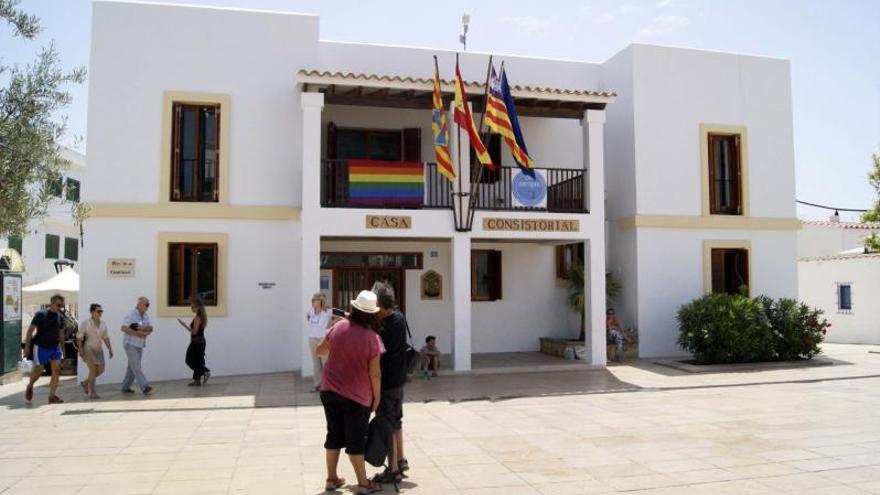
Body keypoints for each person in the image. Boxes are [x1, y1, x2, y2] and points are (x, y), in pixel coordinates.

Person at [315, 290, 384, 495]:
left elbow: (320, 350)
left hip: (329, 389)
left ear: (353, 309)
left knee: (334, 434)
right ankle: (363, 484)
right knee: (356, 439)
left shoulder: (339, 326)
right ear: (372, 314)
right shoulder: (373, 338)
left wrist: (338, 332)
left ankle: (331, 479)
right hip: (357, 395)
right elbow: (375, 374)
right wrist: (377, 398)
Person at [370, 281, 410, 484]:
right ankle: (401, 460)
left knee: (387, 423)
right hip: (399, 381)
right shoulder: (399, 317)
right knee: (396, 421)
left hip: (387, 383)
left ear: (380, 305)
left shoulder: (383, 326)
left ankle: (393, 469)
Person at [22, 294, 66, 404]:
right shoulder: (41, 314)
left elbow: (61, 334)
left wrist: (63, 349)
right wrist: (27, 347)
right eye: (58, 305)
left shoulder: (60, 316)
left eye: (62, 305)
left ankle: (51, 397)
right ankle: (30, 384)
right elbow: (30, 331)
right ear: (51, 303)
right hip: (41, 347)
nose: (60, 307)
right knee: (39, 371)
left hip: (55, 347)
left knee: (56, 370)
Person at [77, 303, 113, 399]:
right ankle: (92, 392)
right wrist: (80, 350)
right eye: (98, 311)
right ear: (92, 312)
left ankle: (85, 382)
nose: (100, 313)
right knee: (92, 370)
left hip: (99, 349)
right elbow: (79, 337)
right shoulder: (86, 323)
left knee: (101, 370)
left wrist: (110, 349)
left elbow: (105, 337)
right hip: (88, 348)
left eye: (101, 311)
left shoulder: (103, 324)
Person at [121, 296, 154, 394]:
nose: (148, 307)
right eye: (146, 305)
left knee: (132, 367)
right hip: (130, 343)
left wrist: (141, 328)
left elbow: (151, 328)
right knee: (136, 366)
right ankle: (145, 386)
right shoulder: (131, 315)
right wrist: (138, 333)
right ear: (139, 305)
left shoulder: (145, 316)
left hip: (139, 345)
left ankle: (125, 386)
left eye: (148, 305)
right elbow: (124, 328)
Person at [177, 297, 211, 386]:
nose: (191, 308)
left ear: (197, 307)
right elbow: (195, 331)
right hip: (199, 342)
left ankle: (205, 371)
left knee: (189, 360)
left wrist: (184, 326)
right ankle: (197, 380)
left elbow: (194, 332)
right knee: (198, 361)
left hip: (197, 343)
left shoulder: (197, 318)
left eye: (192, 307)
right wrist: (185, 325)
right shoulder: (200, 317)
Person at [306, 292, 332, 391]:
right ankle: (317, 384)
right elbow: (308, 320)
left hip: (323, 339)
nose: (312, 302)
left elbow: (331, 323)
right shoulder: (310, 312)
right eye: (312, 300)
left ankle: (327, 385)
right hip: (312, 339)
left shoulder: (328, 311)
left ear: (320, 301)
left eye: (314, 300)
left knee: (325, 363)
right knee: (316, 363)